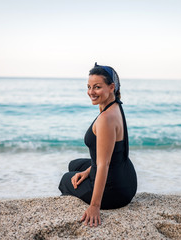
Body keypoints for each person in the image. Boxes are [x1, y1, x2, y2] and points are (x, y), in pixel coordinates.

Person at [58, 63, 137, 227]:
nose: (91, 92)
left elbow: (103, 164)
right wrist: (87, 172)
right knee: (75, 165)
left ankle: (84, 199)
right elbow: (108, 157)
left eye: (97, 87)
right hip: (126, 179)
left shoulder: (106, 118)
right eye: (88, 87)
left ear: (111, 87)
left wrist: (94, 207)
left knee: (66, 180)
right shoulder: (115, 106)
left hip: (115, 192)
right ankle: (85, 179)